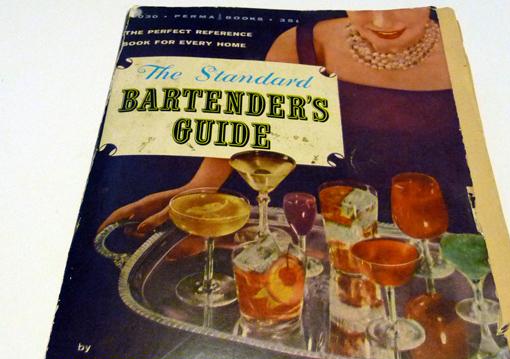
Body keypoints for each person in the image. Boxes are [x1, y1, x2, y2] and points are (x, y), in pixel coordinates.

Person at [100, 8, 476, 234]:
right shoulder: (300, 43)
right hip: (322, 237)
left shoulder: (471, 46)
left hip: (442, 237)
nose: (381, 20)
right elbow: (255, 124)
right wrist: (200, 185)